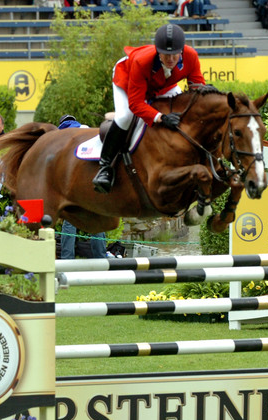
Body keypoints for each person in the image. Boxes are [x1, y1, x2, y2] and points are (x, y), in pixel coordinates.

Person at [92, 23, 207, 194]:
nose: (170, 60)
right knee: (125, 116)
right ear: (157, 51)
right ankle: (105, 167)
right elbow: (136, 103)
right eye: (165, 54)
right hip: (128, 79)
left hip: (163, 85)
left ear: (182, 50)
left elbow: (197, 88)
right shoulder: (142, 61)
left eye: (174, 54)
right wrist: (160, 117)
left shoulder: (191, 56)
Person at [57, 114, 107, 259]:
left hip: (73, 186)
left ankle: (67, 259)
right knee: (97, 221)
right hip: (93, 183)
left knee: (70, 223)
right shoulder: (91, 134)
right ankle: (101, 258)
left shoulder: (61, 137)